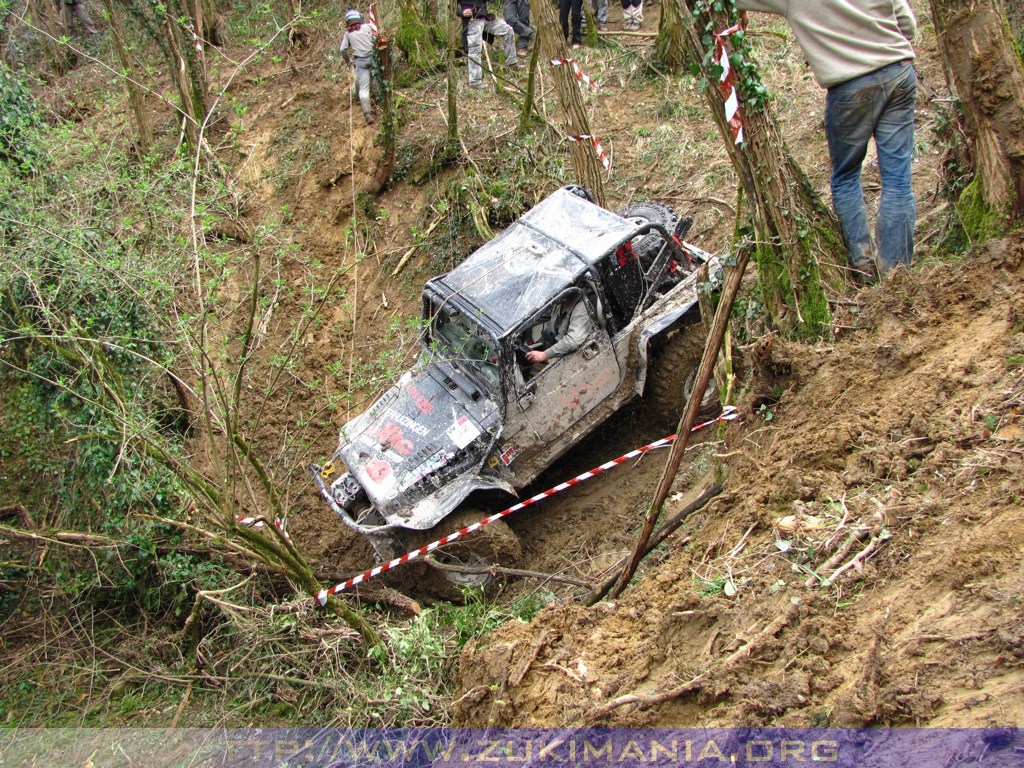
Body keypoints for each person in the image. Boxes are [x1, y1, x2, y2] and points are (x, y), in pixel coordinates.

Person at [736, 0, 918, 283]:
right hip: (899, 72)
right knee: (898, 181)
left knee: (846, 177)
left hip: (849, 86)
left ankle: (864, 268)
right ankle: (898, 275)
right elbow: (908, 25)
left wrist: (741, 10)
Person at [459, 0, 519, 89]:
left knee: (508, 30)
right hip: (472, 21)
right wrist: (462, 12)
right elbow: (453, 9)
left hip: (486, 18)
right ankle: (475, 82)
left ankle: (512, 63)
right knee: (475, 48)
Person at [525, 295, 595, 364]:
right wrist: (523, 325)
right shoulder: (559, 304)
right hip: (563, 351)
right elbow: (539, 317)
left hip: (581, 356)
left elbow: (572, 341)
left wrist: (544, 355)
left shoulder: (581, 308)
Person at [340, 9, 377, 125]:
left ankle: (367, 113)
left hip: (361, 62)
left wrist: (348, 61)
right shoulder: (368, 27)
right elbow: (376, 37)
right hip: (373, 58)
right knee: (377, 79)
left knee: (364, 88)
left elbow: (342, 50)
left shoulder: (348, 34)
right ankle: (380, 101)